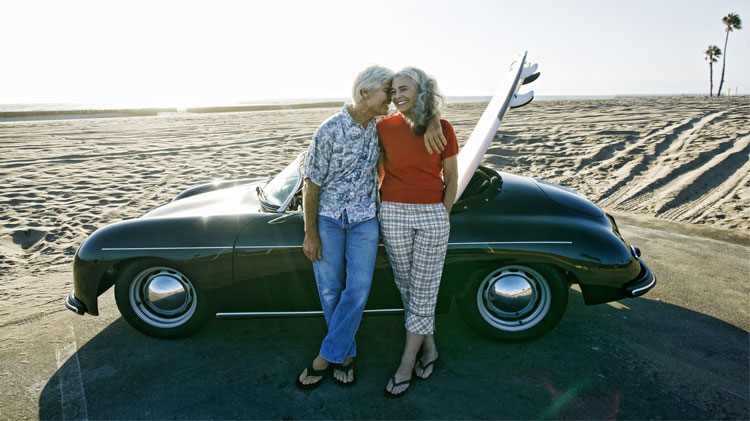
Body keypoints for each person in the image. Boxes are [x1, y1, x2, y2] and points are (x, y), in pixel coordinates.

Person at [297, 66, 446, 389]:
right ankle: (346, 355)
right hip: (329, 220)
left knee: (359, 288)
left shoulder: (380, 127)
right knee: (330, 289)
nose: (391, 99)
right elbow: (311, 183)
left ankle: (327, 355)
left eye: (395, 93)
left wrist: (433, 119)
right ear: (366, 93)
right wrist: (311, 233)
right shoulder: (328, 130)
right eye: (386, 92)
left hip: (365, 219)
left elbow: (418, 119)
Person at [377, 67, 458, 397]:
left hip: (432, 216)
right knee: (409, 287)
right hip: (392, 213)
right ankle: (430, 349)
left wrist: (443, 214)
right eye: (393, 90)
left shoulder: (443, 128)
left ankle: (406, 364)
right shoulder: (383, 127)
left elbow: (452, 178)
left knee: (423, 289)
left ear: (422, 90)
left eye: (404, 88)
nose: (397, 95)